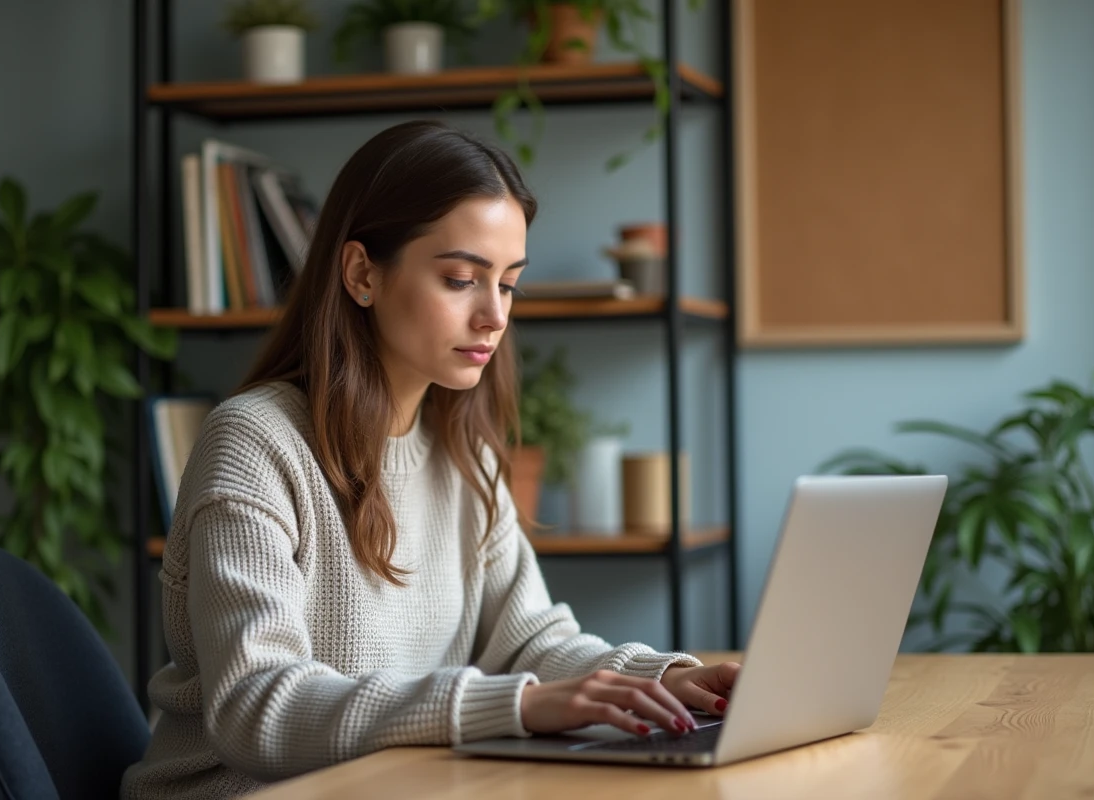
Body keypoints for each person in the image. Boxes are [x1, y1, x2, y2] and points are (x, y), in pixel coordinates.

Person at [121, 120, 741, 799]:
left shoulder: (460, 453)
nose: (494, 316)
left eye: (508, 284)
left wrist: (665, 680)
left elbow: (529, 640)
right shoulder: (253, 443)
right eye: (459, 279)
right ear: (362, 273)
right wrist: (517, 705)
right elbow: (259, 707)